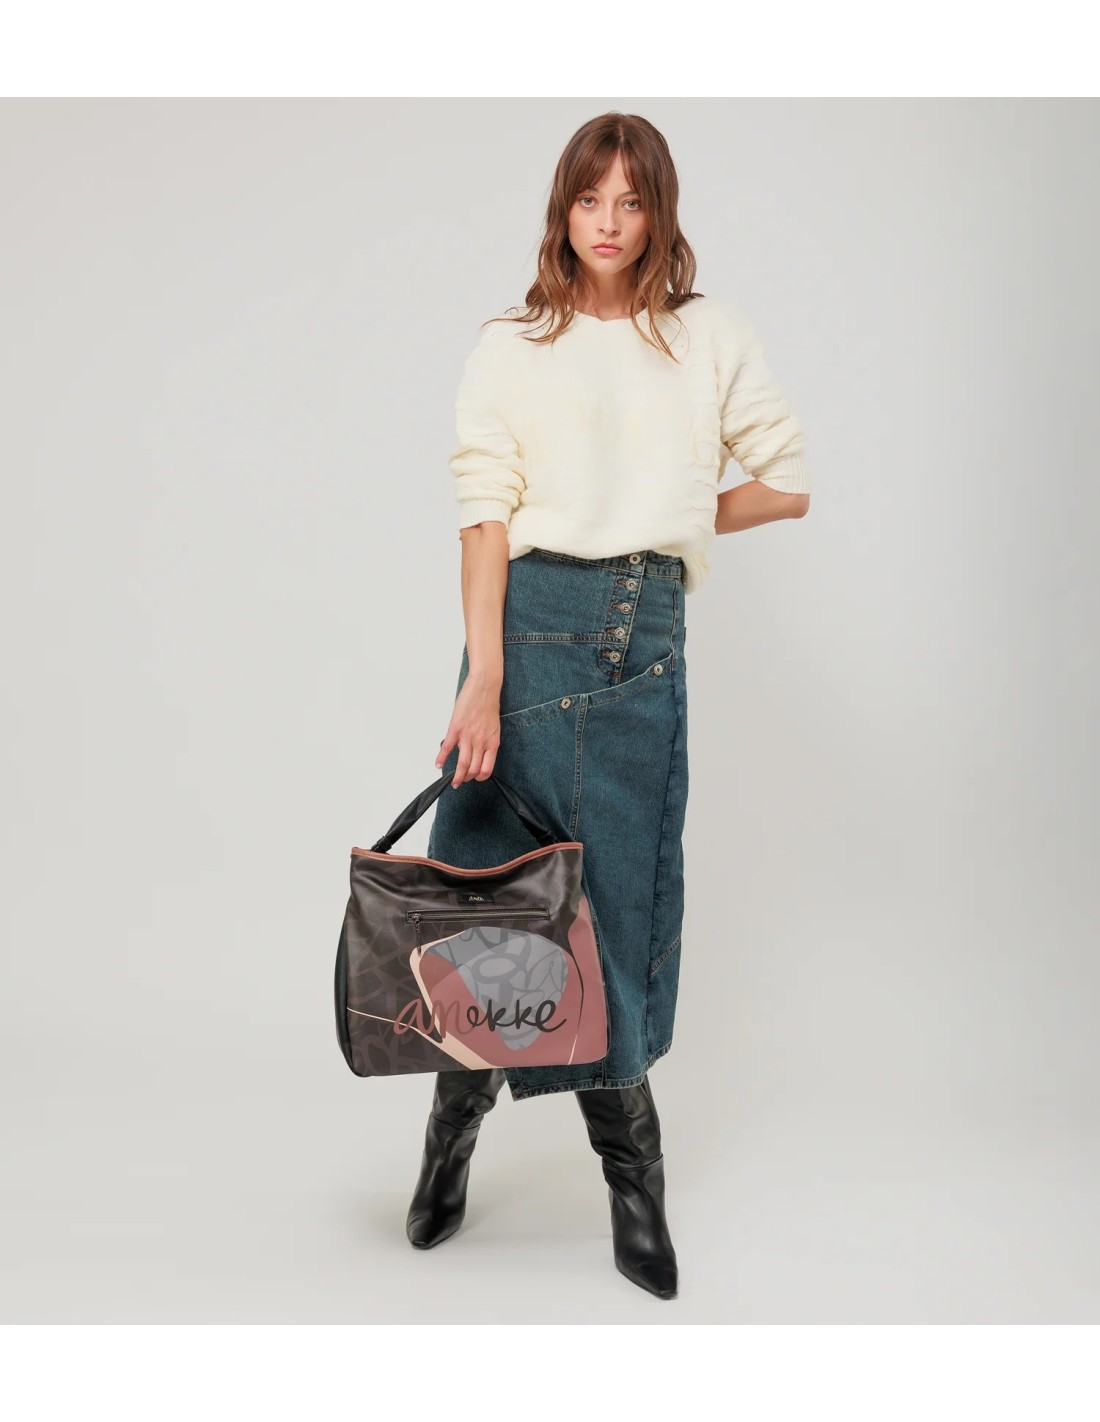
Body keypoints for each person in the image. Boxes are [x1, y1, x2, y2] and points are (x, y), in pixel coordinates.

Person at [405, 112, 811, 1300]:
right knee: (489, 913)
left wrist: (670, 519)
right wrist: (483, 676)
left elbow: (785, 481)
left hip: (641, 640)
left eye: (632, 202)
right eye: (591, 199)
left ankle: (634, 1188)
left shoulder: (705, 336)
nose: (610, 223)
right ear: (563, 208)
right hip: (521, 640)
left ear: (657, 213)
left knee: (612, 918)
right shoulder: (509, 345)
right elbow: (484, 518)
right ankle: (448, 1140)